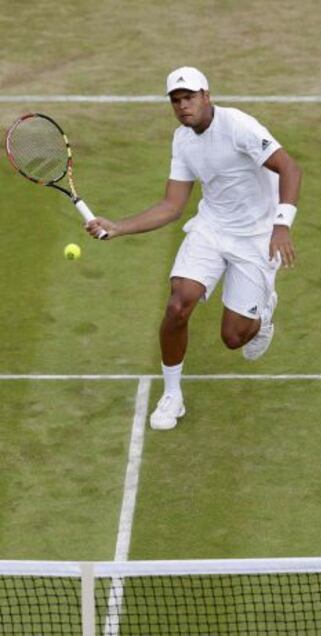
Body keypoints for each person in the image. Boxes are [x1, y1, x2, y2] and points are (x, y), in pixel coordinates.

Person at [86, 66, 302, 431]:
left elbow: (289, 168)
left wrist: (281, 225)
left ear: (206, 96)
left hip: (255, 236)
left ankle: (262, 314)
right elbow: (172, 206)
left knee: (234, 338)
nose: (183, 106)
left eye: (189, 98)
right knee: (177, 304)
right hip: (212, 229)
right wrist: (119, 227)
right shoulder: (182, 140)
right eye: (176, 101)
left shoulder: (239, 126)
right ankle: (173, 395)